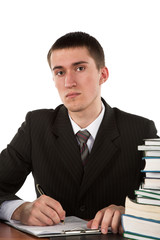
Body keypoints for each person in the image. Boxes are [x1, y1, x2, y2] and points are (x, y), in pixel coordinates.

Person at [0, 32, 158, 235]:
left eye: (80, 68)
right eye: (60, 72)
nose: (69, 82)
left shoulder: (141, 130)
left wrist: (132, 213)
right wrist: (19, 210)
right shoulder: (36, 126)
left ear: (103, 74)